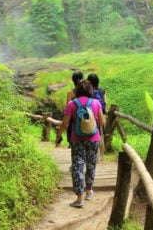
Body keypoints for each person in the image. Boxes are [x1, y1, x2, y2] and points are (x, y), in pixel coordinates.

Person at [55, 79, 106, 208]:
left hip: (76, 139)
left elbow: (65, 124)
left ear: (77, 90)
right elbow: (102, 122)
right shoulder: (96, 103)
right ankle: (89, 191)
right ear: (90, 90)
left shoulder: (72, 104)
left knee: (78, 165)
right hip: (93, 139)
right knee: (91, 164)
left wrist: (59, 135)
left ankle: (79, 198)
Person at [64, 70, 83, 146]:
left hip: (74, 120)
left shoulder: (70, 93)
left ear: (73, 80)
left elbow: (68, 108)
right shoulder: (86, 91)